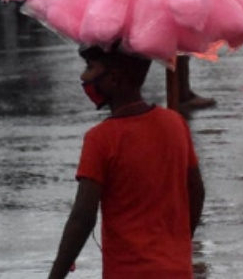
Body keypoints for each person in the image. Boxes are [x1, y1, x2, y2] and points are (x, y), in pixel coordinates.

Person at [49, 44, 204, 279]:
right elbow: (197, 191)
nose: (84, 76)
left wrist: (56, 275)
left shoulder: (100, 138)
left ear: (113, 78)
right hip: (177, 270)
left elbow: (82, 218)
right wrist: (179, 244)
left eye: (90, 68)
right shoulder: (175, 123)